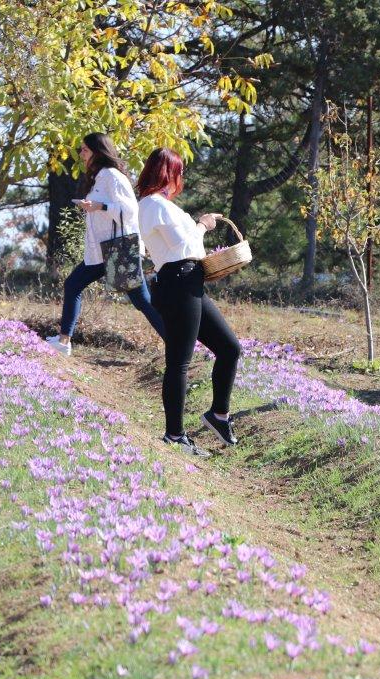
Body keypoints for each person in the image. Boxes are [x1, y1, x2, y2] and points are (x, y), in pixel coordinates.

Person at [136, 147, 241, 455]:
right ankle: (175, 435)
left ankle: (218, 415)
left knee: (229, 347)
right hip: (178, 282)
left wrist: (198, 227)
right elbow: (186, 244)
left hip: (186, 281)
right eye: (179, 172)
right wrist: (203, 225)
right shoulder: (154, 204)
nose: (181, 178)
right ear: (170, 173)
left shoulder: (159, 205)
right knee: (179, 362)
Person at [45, 133, 164, 356]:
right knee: (74, 285)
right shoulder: (100, 176)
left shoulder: (112, 176)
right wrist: (94, 206)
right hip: (104, 252)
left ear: (98, 152)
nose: (80, 154)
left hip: (118, 249)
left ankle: (181, 343)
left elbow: (131, 210)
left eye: (85, 150)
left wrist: (99, 206)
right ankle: (63, 341)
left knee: (142, 301)